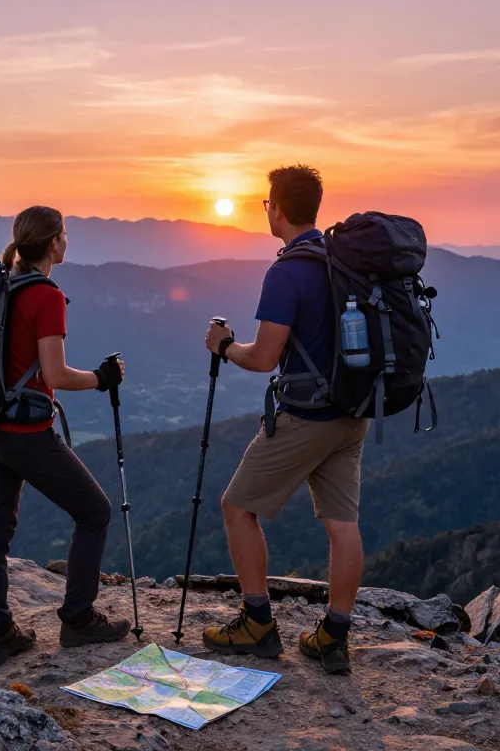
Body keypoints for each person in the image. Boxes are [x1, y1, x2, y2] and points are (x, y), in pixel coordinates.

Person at [201, 165, 371, 675]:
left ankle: (257, 624)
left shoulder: (287, 272)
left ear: (276, 208)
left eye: (267, 203)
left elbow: (263, 358)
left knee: (237, 507)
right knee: (343, 525)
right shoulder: (343, 260)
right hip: (353, 412)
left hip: (307, 417)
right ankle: (333, 637)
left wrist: (224, 345)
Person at [0, 205, 131, 667]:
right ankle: (79, 619)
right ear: (54, 242)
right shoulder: (45, 296)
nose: (67, 240)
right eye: (64, 233)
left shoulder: (3, 285)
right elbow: (56, 374)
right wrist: (102, 379)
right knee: (95, 512)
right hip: (26, 434)